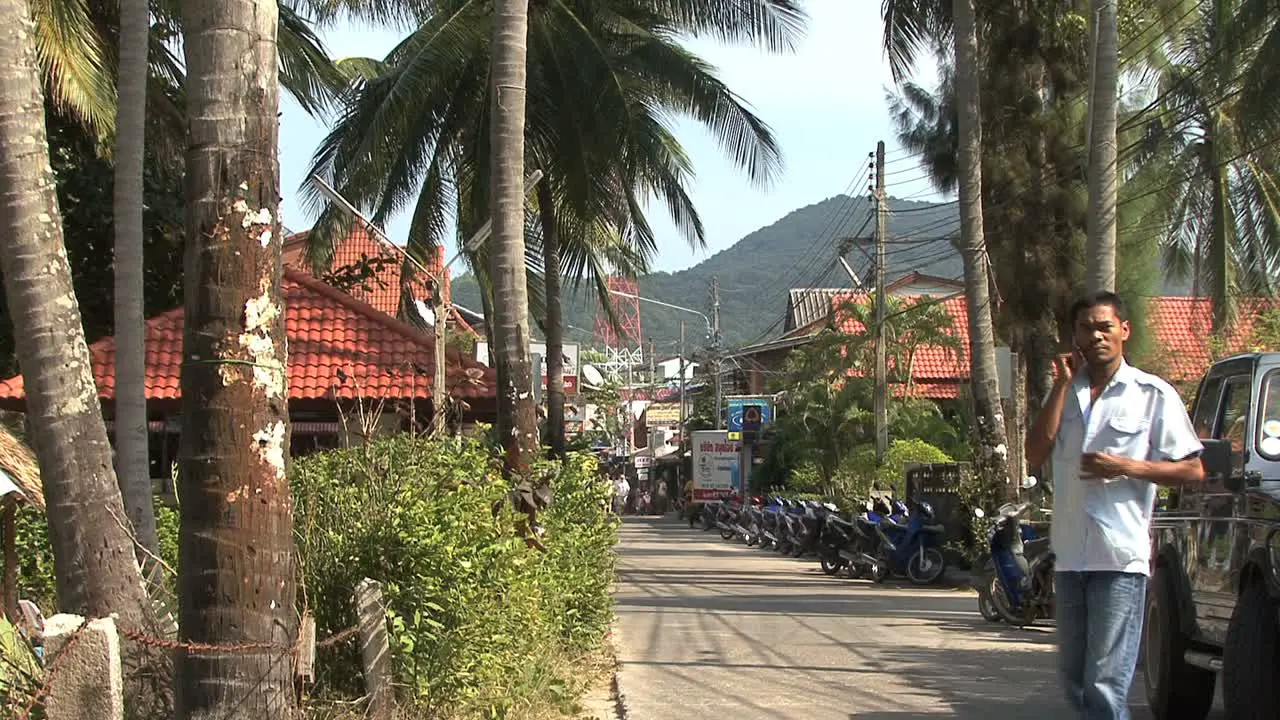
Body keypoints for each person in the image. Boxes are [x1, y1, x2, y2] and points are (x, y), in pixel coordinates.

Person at [1025, 291, 1204, 720]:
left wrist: (1125, 466)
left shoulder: (1151, 394)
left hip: (1118, 558)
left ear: (1124, 331)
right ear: (1075, 336)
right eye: (1086, 328)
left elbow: (1193, 470)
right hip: (1070, 558)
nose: (1096, 335)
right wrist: (1062, 384)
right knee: (1073, 679)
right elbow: (1034, 453)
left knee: (1105, 684)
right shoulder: (1066, 394)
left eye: (1105, 326)